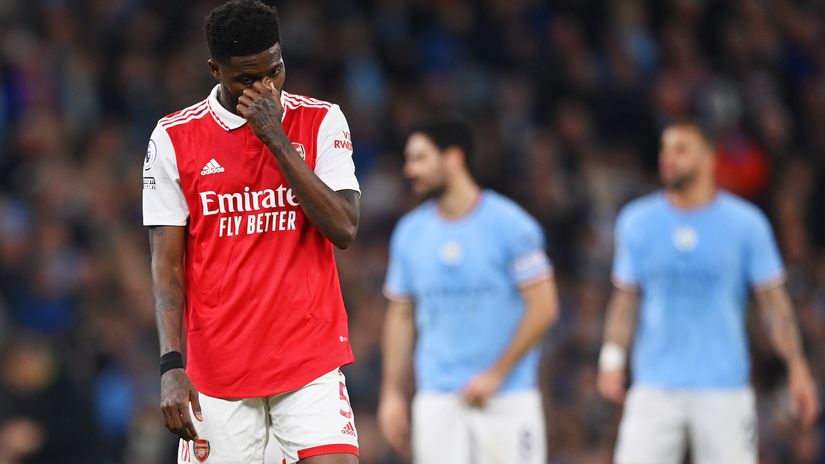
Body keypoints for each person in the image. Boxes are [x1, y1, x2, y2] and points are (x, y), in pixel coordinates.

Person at [142, 1, 361, 463]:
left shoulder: (321, 121)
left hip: (308, 362)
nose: (265, 87)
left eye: (275, 70)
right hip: (219, 374)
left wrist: (277, 139)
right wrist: (170, 366)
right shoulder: (173, 138)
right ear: (214, 69)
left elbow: (343, 226)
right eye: (247, 78)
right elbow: (167, 268)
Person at [597, 122, 821, 464]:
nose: (669, 158)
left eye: (681, 149)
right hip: (655, 386)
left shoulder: (746, 224)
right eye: (665, 149)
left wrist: (797, 365)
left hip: (724, 389)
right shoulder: (637, 221)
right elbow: (625, 299)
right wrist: (612, 359)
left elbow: (773, 304)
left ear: (709, 159)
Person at [377, 118, 559, 464]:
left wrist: (497, 372)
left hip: (507, 396)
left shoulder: (510, 225)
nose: (409, 169)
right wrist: (391, 394)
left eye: (419, 158)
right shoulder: (410, 233)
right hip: (438, 397)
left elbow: (544, 307)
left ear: (453, 158)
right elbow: (400, 316)